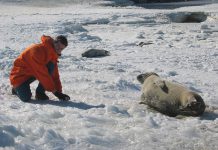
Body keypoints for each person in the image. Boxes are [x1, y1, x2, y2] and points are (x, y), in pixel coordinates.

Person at [10, 35, 70, 102]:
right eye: (58, 46)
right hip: (19, 76)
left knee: (51, 66)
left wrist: (59, 92)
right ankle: (15, 88)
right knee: (26, 98)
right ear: (54, 42)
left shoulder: (52, 54)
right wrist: (55, 92)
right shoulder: (37, 51)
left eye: (61, 49)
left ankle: (40, 93)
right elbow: (42, 74)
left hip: (32, 74)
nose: (59, 50)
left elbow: (55, 75)